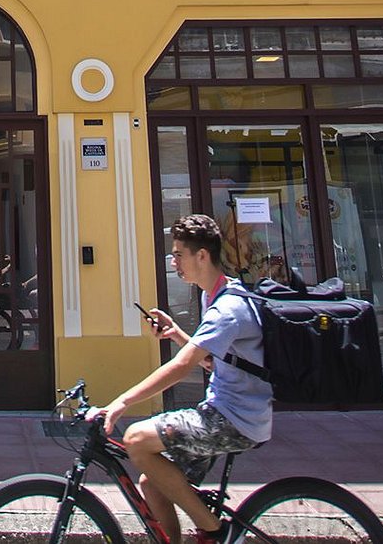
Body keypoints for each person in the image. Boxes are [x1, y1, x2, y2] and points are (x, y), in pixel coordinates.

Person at [103, 214, 272, 544]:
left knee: (135, 439)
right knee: (154, 482)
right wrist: (177, 334)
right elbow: (211, 361)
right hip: (226, 412)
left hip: (234, 419)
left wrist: (121, 402)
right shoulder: (216, 295)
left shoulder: (227, 309)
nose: (174, 262)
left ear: (202, 256)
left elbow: (182, 367)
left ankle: (215, 530)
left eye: (179, 254)